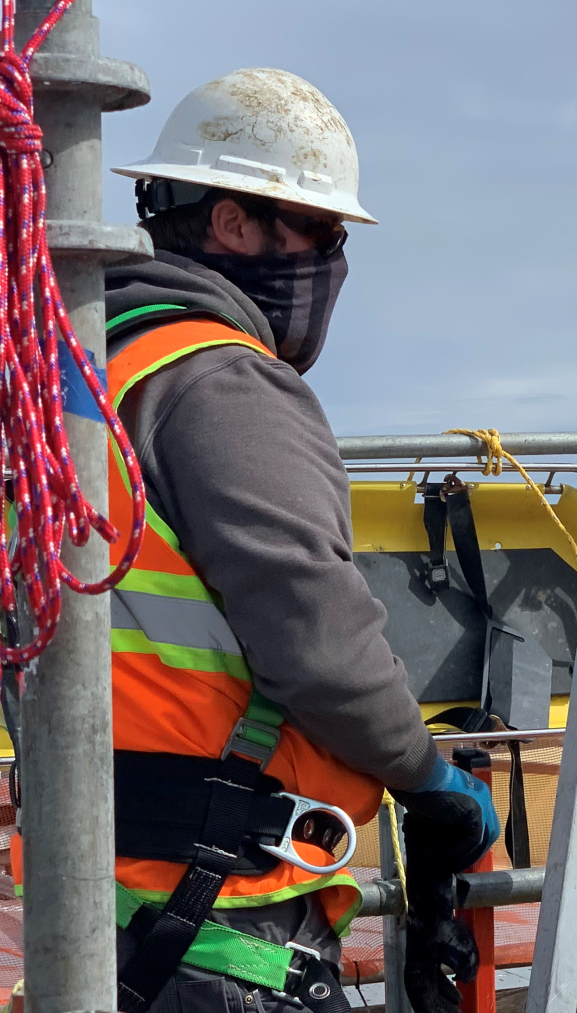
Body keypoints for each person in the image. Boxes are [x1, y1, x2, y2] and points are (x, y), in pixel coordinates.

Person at [100, 68, 497, 1013]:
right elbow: (317, 635)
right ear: (233, 223)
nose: (334, 262)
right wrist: (426, 772)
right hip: (220, 915)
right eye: (319, 231)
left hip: (106, 908)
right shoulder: (221, 382)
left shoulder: (92, 373)